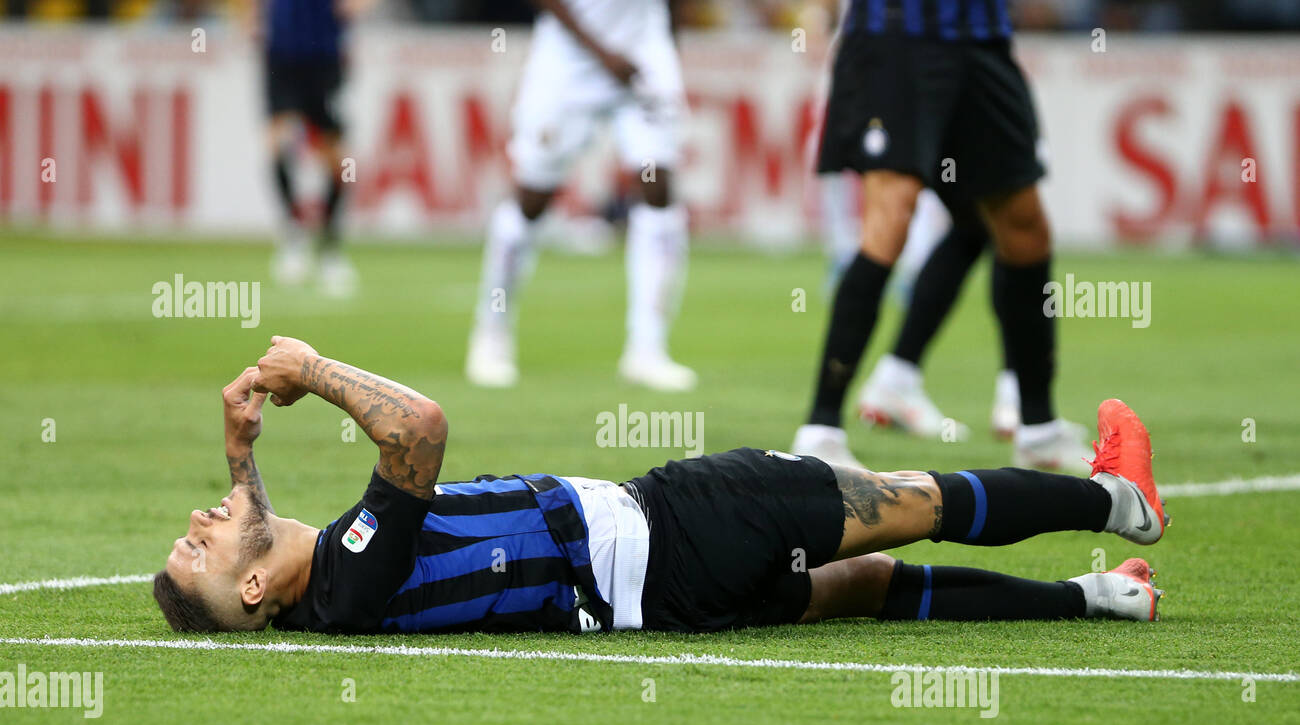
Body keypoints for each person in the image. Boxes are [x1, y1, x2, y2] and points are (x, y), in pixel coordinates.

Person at [153, 336, 1169, 636]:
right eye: (196, 547)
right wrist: (316, 370)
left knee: (869, 584)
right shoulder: (345, 580)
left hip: (668, 594)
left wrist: (242, 450)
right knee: (912, 498)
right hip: (676, 528)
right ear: (250, 590)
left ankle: (1097, 597)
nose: (202, 519)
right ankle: (1117, 500)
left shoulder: (332, 582)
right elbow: (418, 427)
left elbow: (251, 524)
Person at [791, 0, 1089, 472]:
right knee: (891, 218)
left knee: (1022, 226)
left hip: (981, 40)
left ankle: (1037, 428)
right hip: (897, 39)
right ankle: (821, 430)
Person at [465, 0, 696, 391]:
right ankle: (491, 334)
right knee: (532, 198)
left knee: (657, 187)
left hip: (643, 57)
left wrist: (668, 51)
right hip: (566, 62)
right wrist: (602, 52)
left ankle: (648, 348)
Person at [248, 0, 369, 295]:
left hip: (324, 59)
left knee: (337, 162)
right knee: (279, 141)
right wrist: (253, 18)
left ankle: (329, 249)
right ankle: (294, 232)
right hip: (282, 56)